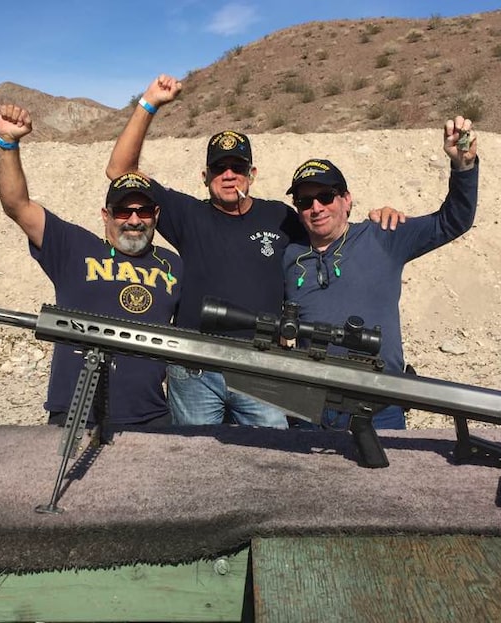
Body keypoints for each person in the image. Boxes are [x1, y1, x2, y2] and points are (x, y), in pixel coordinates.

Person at [106, 75, 403, 430]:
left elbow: (327, 229)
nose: (229, 175)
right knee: (193, 464)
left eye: (238, 167)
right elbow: (119, 171)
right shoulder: (187, 215)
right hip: (195, 368)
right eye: (219, 168)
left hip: (261, 366)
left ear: (252, 173)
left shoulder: (280, 216)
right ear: (205, 176)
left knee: (272, 461)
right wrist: (149, 102)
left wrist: (375, 217)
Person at [283, 116, 478, 430]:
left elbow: (453, 221)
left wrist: (463, 167)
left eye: (326, 196)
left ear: (346, 200)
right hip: (309, 407)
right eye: (304, 201)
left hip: (379, 405)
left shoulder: (384, 235)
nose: (316, 207)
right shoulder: (289, 255)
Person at [0, 104, 182, 427]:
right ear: (106, 216)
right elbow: (17, 205)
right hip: (77, 411)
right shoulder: (73, 248)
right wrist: (8, 144)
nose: (134, 220)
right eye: (123, 211)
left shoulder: (174, 265)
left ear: (156, 216)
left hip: (151, 415)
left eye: (144, 211)